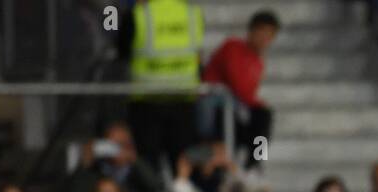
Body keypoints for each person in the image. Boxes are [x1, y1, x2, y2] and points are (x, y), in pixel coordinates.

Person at [119, 0, 205, 172]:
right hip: (183, 99)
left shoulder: (138, 14)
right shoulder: (193, 14)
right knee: (183, 165)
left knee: (147, 165)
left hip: (147, 101)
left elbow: (122, 52)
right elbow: (197, 53)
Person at [202, 9, 279, 167]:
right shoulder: (233, 48)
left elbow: (248, 93)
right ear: (251, 31)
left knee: (262, 125)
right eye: (262, 32)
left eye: (270, 35)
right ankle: (249, 164)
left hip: (234, 110)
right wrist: (256, 102)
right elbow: (238, 85)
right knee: (261, 116)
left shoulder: (258, 61)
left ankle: (256, 163)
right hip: (214, 109)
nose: (265, 39)